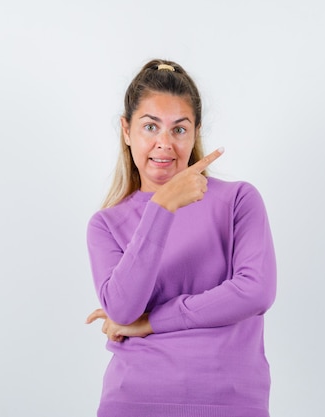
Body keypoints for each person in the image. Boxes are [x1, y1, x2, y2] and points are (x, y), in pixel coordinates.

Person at [85, 59, 277, 417]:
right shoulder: (106, 225)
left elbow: (255, 291)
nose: (164, 144)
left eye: (179, 129)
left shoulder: (238, 200)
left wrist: (150, 322)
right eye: (150, 127)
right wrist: (162, 207)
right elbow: (122, 309)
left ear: (195, 133)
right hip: (135, 401)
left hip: (231, 402)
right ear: (126, 131)